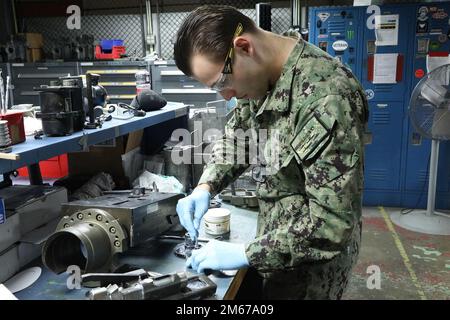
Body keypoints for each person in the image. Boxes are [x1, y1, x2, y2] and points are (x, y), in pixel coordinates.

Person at [174, 5, 368, 300]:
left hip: (309, 275)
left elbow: (333, 223)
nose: (225, 95)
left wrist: (246, 253)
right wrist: (205, 185)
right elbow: (240, 137)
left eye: (222, 83)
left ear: (244, 47)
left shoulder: (327, 99)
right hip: (274, 248)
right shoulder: (260, 78)